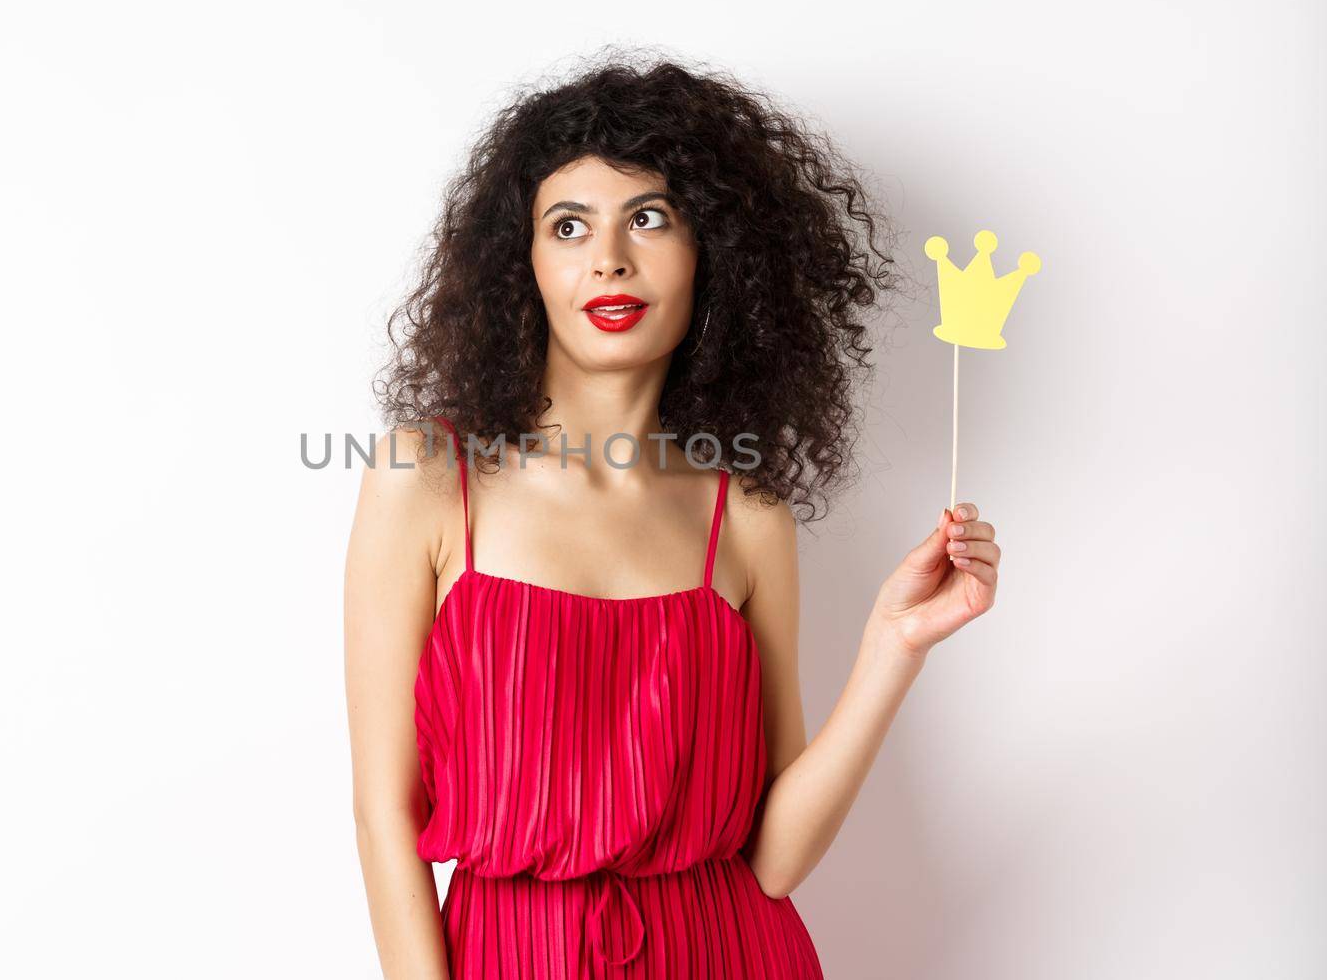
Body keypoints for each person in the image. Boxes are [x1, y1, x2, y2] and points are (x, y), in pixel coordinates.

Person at [344, 51, 1002, 979]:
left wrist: (895, 646)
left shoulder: (747, 511)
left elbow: (774, 857)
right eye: (568, 225)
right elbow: (383, 812)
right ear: (521, 262)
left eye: (649, 218)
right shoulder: (425, 478)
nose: (609, 255)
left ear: (715, 254)